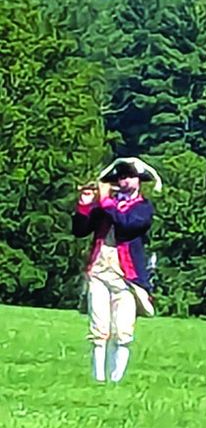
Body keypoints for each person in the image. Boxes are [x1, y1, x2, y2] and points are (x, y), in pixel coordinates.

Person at [72, 158, 160, 384]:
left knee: (122, 330)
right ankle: (98, 378)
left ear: (139, 181)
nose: (124, 181)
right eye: (121, 177)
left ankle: (116, 378)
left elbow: (128, 224)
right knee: (99, 328)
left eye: (129, 176)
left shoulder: (143, 208)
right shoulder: (104, 206)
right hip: (99, 272)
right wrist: (84, 205)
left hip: (127, 277)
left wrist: (105, 202)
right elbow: (80, 230)